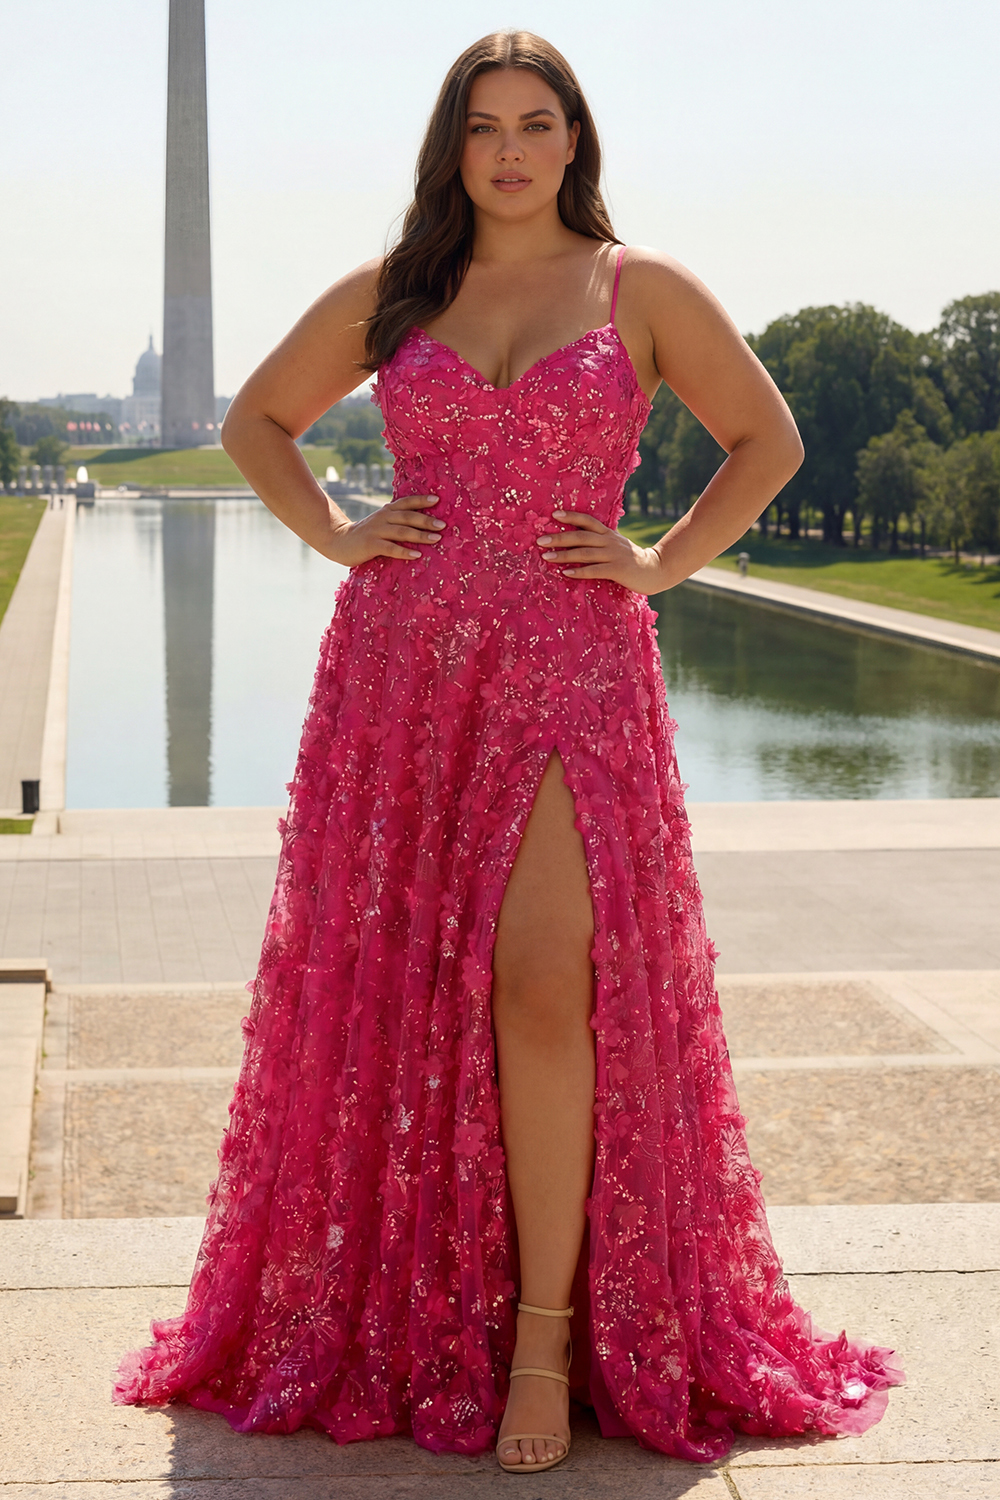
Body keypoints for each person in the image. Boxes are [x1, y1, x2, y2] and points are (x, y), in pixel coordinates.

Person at [116, 30, 903, 1474]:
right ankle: (438, 1316)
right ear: (454, 146)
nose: (513, 150)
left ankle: (543, 1337)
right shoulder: (394, 293)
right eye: (485, 126)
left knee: (546, 987)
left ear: (576, 141)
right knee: (408, 998)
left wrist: (661, 562)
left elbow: (767, 440)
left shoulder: (640, 288)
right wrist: (344, 535)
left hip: (572, 669)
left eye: (539, 123)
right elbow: (256, 422)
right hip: (405, 676)